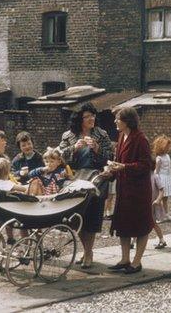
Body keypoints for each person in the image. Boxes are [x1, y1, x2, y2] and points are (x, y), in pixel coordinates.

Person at [58, 102, 114, 269]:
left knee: (92, 215)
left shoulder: (101, 134)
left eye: (93, 116)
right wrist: (74, 148)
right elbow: (59, 158)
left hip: (96, 179)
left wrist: (97, 148)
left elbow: (110, 156)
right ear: (79, 120)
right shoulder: (68, 136)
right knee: (78, 217)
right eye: (87, 117)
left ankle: (89, 252)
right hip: (75, 179)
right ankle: (86, 250)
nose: (91, 119)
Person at [103, 107, 153, 274]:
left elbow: (146, 165)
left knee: (140, 225)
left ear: (127, 121)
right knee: (123, 224)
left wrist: (124, 167)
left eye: (118, 119)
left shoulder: (141, 139)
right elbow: (119, 161)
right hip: (124, 189)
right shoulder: (121, 136)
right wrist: (111, 170)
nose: (115, 121)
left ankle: (136, 262)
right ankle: (125, 259)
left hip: (138, 191)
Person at [153, 135, 171, 221]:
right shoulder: (159, 158)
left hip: (168, 177)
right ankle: (159, 216)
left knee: (165, 199)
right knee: (160, 198)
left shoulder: (167, 156)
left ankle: (166, 214)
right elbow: (156, 172)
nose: (169, 148)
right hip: (161, 179)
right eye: (167, 146)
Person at [151, 171, 167, 248]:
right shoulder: (141, 176)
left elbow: (161, 190)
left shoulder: (155, 176)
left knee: (153, 223)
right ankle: (133, 241)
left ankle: (162, 240)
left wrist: (158, 200)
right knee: (140, 222)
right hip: (144, 203)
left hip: (152, 204)